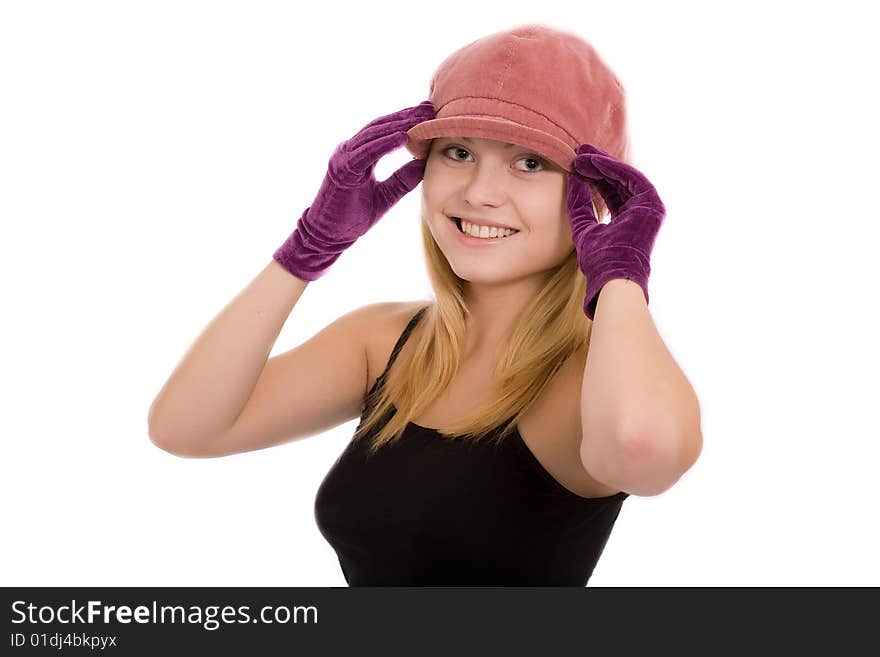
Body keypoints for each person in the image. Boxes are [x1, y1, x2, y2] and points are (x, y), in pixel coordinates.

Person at [148, 24, 701, 586]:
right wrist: (308, 249)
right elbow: (185, 428)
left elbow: (643, 450)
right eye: (458, 152)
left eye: (530, 162)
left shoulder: (592, 381)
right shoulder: (382, 340)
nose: (479, 192)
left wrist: (620, 280)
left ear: (601, 192)